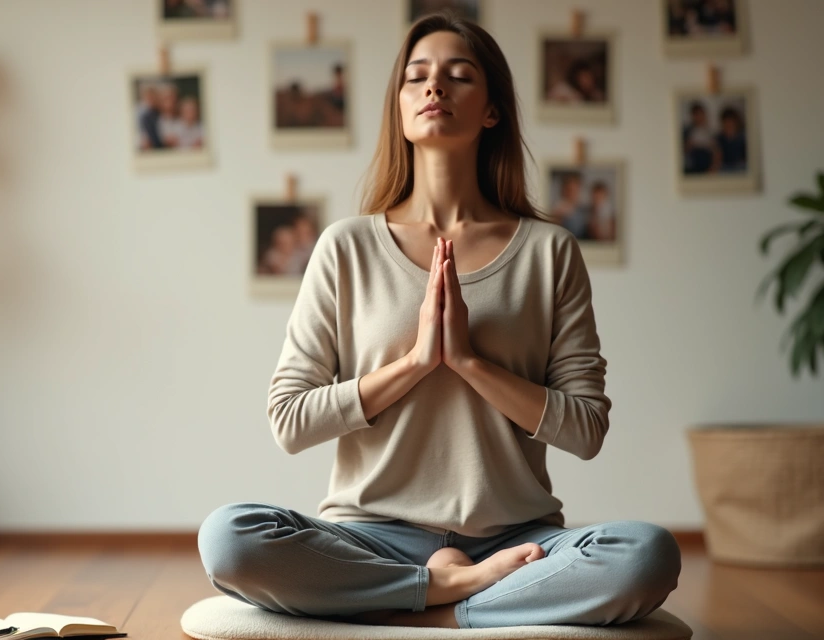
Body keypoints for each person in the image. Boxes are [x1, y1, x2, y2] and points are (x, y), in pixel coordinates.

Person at [198, 11, 680, 631]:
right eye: (417, 76)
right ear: (400, 107)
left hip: (516, 540)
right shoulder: (346, 247)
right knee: (230, 538)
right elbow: (290, 421)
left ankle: (427, 600)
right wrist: (416, 363)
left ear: (491, 110)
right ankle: (452, 594)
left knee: (646, 553)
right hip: (371, 537)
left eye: (458, 75)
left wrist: (471, 363)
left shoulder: (549, 251)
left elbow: (586, 429)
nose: (434, 86)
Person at [714, 106, 746, 173]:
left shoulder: (742, 137)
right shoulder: (719, 138)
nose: (728, 125)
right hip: (725, 167)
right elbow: (718, 157)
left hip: (740, 166)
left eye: (730, 122)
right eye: (726, 122)